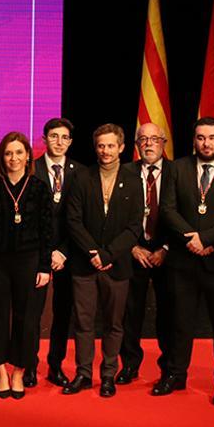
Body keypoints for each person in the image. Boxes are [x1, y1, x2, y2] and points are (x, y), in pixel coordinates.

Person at [157, 116, 214, 405]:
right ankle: (175, 374)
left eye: (211, 137)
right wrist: (191, 238)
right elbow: (167, 209)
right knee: (179, 323)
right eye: (200, 137)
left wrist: (206, 239)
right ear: (194, 140)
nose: (206, 143)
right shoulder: (177, 168)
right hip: (184, 262)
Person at [63, 124, 144, 397]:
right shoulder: (81, 177)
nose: (105, 151)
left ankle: (108, 374)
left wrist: (108, 254)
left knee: (113, 324)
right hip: (84, 264)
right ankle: (83, 374)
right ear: (95, 147)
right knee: (84, 324)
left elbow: (135, 227)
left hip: (117, 265)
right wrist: (93, 253)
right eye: (101, 145)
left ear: (121, 147)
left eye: (111, 146)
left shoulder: (134, 180)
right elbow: (73, 221)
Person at [0, 132, 52, 399]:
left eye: (19, 153)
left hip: (29, 261)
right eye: (8, 153)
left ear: (28, 155)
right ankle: (1, 371)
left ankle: (19, 371)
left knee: (26, 319)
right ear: (1, 157)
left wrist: (44, 266)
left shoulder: (39, 187)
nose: (13, 158)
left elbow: (46, 231)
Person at [118, 122, 174, 385]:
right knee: (130, 313)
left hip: (168, 254)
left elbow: (185, 214)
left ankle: (169, 368)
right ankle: (129, 365)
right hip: (133, 251)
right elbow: (113, 215)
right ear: (136, 145)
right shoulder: (124, 172)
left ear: (164, 143)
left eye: (154, 139)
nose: (149, 144)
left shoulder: (178, 172)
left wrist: (165, 248)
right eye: (143, 139)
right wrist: (131, 246)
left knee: (168, 313)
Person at [33, 116, 86, 388]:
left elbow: (81, 219)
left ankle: (55, 365)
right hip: (36, 254)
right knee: (31, 313)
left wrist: (62, 251)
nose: (59, 142)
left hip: (68, 254)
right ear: (44, 139)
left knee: (63, 314)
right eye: (54, 136)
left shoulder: (82, 172)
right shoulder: (31, 169)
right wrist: (47, 252)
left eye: (64, 137)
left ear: (70, 142)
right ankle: (28, 366)